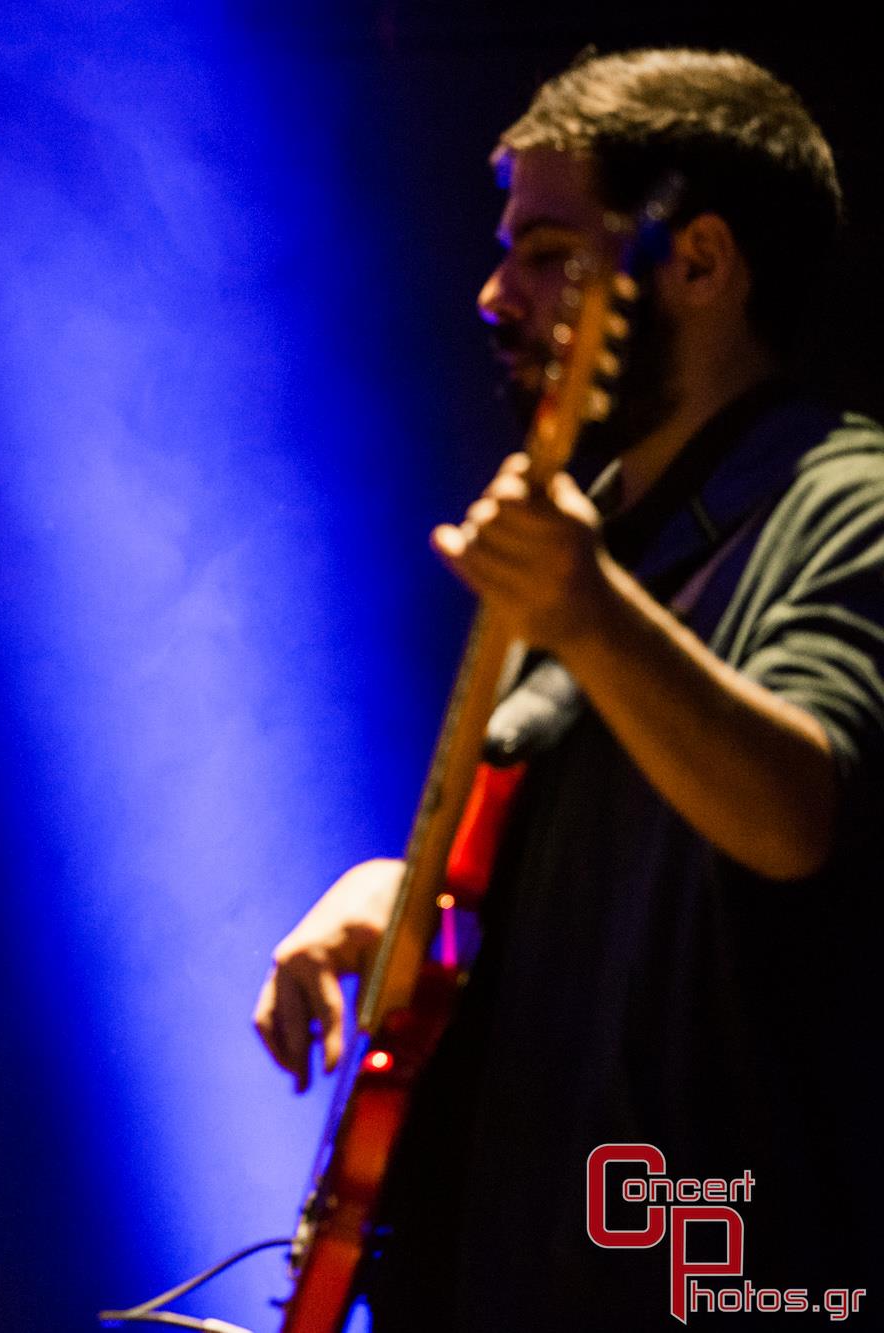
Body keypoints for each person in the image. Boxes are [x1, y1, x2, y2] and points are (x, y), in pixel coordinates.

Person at [252, 50, 884, 1329]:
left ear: (697, 264)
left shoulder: (848, 503)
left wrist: (588, 611)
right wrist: (409, 896)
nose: (495, 296)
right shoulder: (591, 532)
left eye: (547, 254)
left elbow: (791, 812)